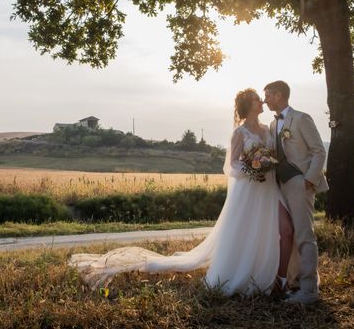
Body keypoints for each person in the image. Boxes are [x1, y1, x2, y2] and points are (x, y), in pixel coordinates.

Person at [69, 88, 294, 297]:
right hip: (248, 189)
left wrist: (266, 163)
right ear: (248, 104)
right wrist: (253, 167)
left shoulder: (267, 130)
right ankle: (244, 274)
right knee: (246, 231)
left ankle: (275, 275)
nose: (262, 101)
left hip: (269, 188)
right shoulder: (240, 133)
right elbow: (231, 166)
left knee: (276, 229)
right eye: (257, 98)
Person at [264, 80, 328, 305]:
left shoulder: (301, 118)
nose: (265, 99)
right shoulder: (272, 126)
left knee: (304, 235)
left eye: (268, 95)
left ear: (280, 95)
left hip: (300, 184)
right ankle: (295, 284)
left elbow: (319, 151)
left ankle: (310, 290)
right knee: (289, 235)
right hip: (281, 186)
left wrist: (309, 179)